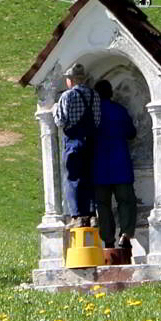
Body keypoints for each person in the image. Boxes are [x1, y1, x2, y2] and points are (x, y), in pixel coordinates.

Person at [53, 63, 101, 228]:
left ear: (71, 80)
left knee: (73, 178)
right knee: (89, 177)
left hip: (73, 141)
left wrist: (54, 109)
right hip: (90, 141)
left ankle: (77, 216)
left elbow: (60, 121)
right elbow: (97, 121)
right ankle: (92, 215)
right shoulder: (94, 96)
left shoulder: (67, 96)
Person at [92, 79, 138, 249]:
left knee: (102, 205)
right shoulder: (120, 110)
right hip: (120, 165)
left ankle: (108, 239)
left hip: (99, 166)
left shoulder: (93, 113)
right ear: (111, 93)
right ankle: (125, 233)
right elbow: (131, 133)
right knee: (126, 201)